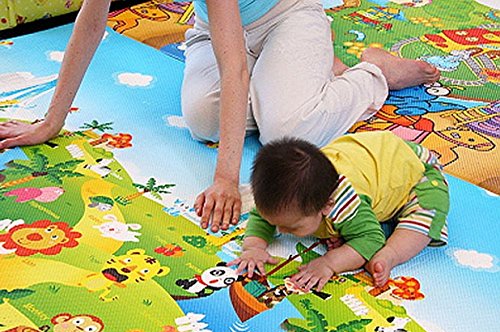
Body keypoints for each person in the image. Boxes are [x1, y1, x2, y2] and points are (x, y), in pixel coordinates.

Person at [0, 0, 440, 233]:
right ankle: (305, 73)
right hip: (215, 29)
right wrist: (51, 121)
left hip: (286, 15)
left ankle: (373, 73)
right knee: (203, 121)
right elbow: (92, 23)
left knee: (286, 130)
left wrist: (226, 179)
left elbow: (234, 69)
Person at [230, 131, 449, 290]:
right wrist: (253, 247)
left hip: (418, 173)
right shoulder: (289, 193)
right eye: (275, 223)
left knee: (425, 218)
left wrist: (329, 263)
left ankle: (391, 255)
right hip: (375, 155)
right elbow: (261, 216)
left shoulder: (344, 201)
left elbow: (371, 239)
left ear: (327, 206)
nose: (280, 230)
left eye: (292, 227)